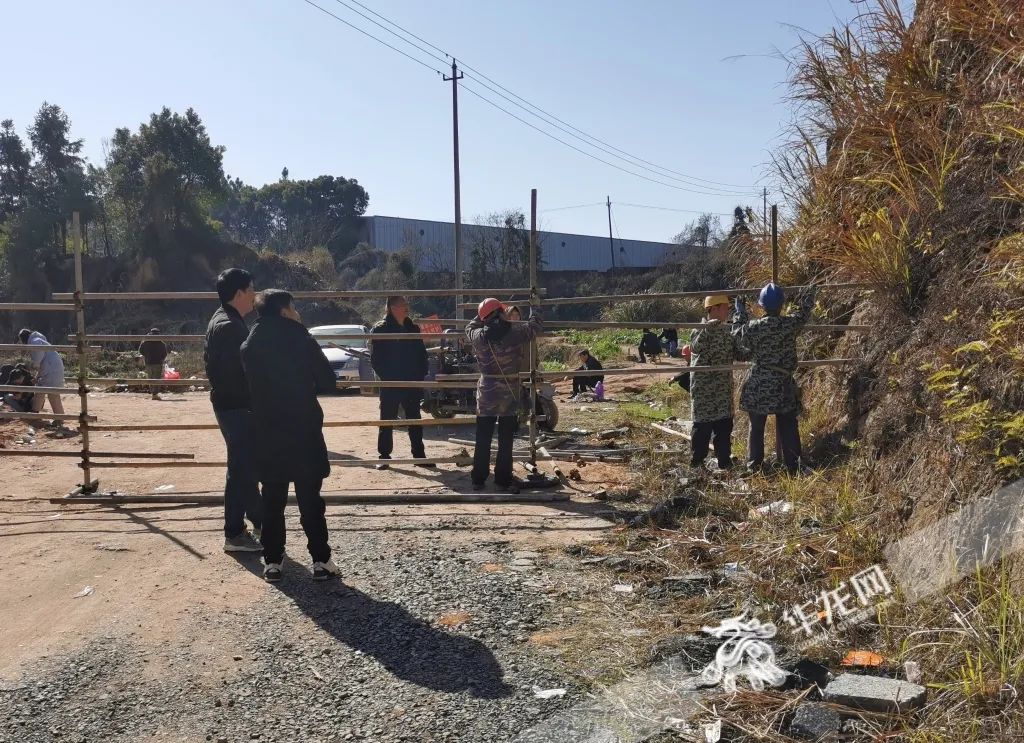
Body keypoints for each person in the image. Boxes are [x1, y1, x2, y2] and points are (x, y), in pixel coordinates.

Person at [240, 290, 340, 582]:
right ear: (284, 311)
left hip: (267, 429)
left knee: (272, 499)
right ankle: (321, 560)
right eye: (294, 308)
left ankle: (272, 561)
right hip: (303, 428)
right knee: (310, 498)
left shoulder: (249, 344)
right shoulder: (302, 339)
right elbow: (328, 381)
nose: (298, 313)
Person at [204, 268, 263, 553]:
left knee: (245, 466)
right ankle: (234, 533)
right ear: (240, 293)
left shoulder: (224, 319)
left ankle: (260, 520)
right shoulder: (230, 327)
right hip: (236, 406)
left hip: (230, 404)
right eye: (252, 289)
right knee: (240, 469)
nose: (255, 295)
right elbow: (238, 374)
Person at [733, 283, 817, 475]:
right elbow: (803, 314)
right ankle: (794, 466)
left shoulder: (754, 327)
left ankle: (754, 467)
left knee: (756, 427)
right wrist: (808, 296)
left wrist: (740, 313)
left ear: (761, 306)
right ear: (781, 305)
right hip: (783, 385)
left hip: (759, 385)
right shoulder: (789, 324)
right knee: (788, 424)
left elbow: (737, 334)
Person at [466, 298, 543, 493]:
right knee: (506, 438)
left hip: (487, 392)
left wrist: (482, 314)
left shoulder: (477, 335)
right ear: (501, 312)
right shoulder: (516, 331)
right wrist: (535, 306)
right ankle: (502, 478)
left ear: (484, 317)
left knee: (483, 437)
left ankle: (478, 479)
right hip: (509, 390)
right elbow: (535, 325)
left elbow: (470, 326)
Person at [369, 296, 431, 470]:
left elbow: (422, 354)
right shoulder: (380, 329)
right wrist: (388, 378)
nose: (406, 307)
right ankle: (384, 456)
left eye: (406, 304)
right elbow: (376, 360)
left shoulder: (413, 328)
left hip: (411, 381)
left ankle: (419, 456)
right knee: (387, 420)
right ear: (392, 307)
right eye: (403, 305)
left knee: (415, 419)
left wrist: (420, 375)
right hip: (391, 382)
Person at [687, 295, 743, 471]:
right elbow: (696, 347)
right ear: (715, 308)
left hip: (723, 388)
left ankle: (724, 461)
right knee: (702, 428)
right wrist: (709, 328)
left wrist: (743, 328)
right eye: (726, 308)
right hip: (704, 389)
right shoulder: (699, 329)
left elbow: (740, 354)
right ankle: (697, 463)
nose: (728, 311)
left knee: (724, 427)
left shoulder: (728, 330)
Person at [18, 329, 65, 421]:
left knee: (53, 395)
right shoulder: (38, 340)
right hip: (51, 370)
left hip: (52, 371)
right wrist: (37, 377)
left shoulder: (35, 342)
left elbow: (37, 362)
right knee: (39, 390)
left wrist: (29, 366)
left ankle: (59, 419)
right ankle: (35, 412)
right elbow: (43, 363)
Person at [138, 328, 168, 400]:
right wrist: (161, 359)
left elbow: (140, 351)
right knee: (156, 378)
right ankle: (155, 394)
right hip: (158, 363)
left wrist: (146, 355)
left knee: (150, 378)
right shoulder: (161, 343)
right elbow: (164, 354)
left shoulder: (145, 342)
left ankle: (153, 393)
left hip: (148, 362)